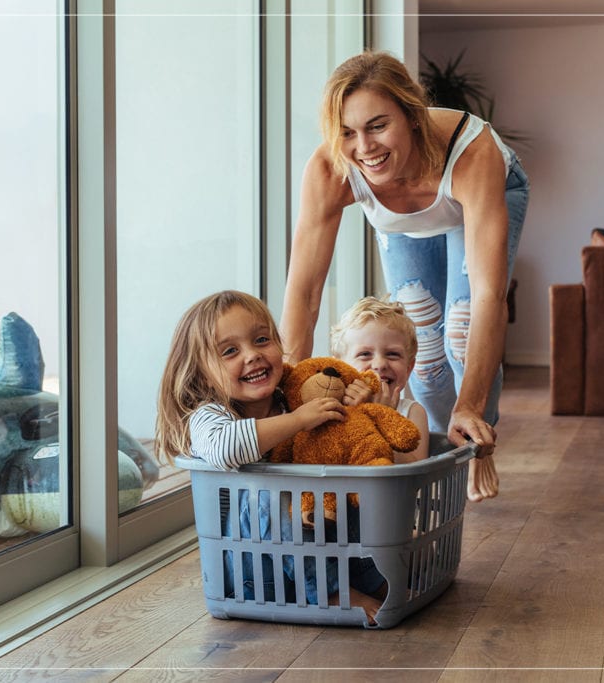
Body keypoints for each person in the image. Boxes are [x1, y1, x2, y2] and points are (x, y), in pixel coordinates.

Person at [280, 50, 530, 502]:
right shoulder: (331, 168)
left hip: (480, 195)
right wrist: (286, 392)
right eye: (347, 132)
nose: (365, 148)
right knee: (425, 352)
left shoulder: (473, 151)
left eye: (378, 125)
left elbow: (490, 295)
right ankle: (437, 453)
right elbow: (305, 291)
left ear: (412, 116)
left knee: (459, 327)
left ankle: (476, 439)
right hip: (406, 224)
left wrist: (471, 404)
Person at [153, 289, 387, 623]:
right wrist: (299, 420)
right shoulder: (209, 415)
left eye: (262, 340)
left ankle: (372, 579)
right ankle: (333, 592)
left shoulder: (292, 398)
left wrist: (355, 404)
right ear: (201, 373)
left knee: (344, 486)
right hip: (255, 574)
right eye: (230, 351)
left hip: (317, 559)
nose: (252, 355)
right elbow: (225, 448)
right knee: (267, 491)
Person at [329, 296, 429, 463]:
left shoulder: (412, 412)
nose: (380, 364)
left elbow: (415, 470)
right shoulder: (332, 406)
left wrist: (381, 417)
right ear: (340, 366)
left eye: (392, 354)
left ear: (409, 367)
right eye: (365, 354)